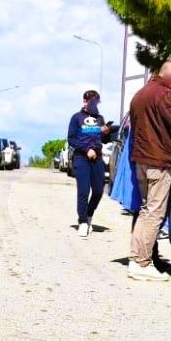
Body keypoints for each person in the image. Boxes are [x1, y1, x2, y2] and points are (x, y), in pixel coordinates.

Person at [127, 61, 171, 281]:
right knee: (154, 213)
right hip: (159, 160)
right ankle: (143, 263)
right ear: (170, 76)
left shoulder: (140, 94)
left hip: (141, 160)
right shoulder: (165, 95)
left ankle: (135, 259)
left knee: (145, 210)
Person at [68, 90, 109, 237]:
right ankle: (83, 222)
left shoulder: (99, 118)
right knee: (83, 191)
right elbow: (71, 139)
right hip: (81, 157)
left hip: (97, 157)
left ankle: (89, 215)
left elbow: (103, 140)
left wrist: (106, 132)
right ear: (85, 101)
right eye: (91, 101)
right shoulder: (76, 118)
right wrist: (86, 149)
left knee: (98, 190)